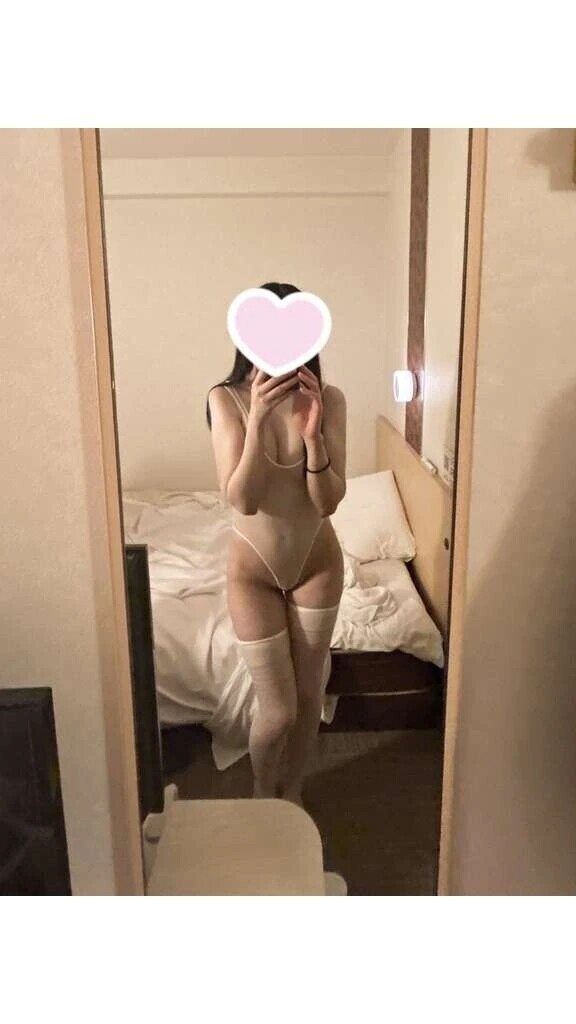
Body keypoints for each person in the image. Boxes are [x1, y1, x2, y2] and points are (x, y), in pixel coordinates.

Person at [207, 282, 346, 805]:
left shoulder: (329, 400)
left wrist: (313, 437)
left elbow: (327, 502)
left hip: (317, 563)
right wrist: (258, 419)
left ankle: (294, 789)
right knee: (280, 709)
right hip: (254, 573)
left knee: (309, 697)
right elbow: (242, 500)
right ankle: (263, 790)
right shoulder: (225, 399)